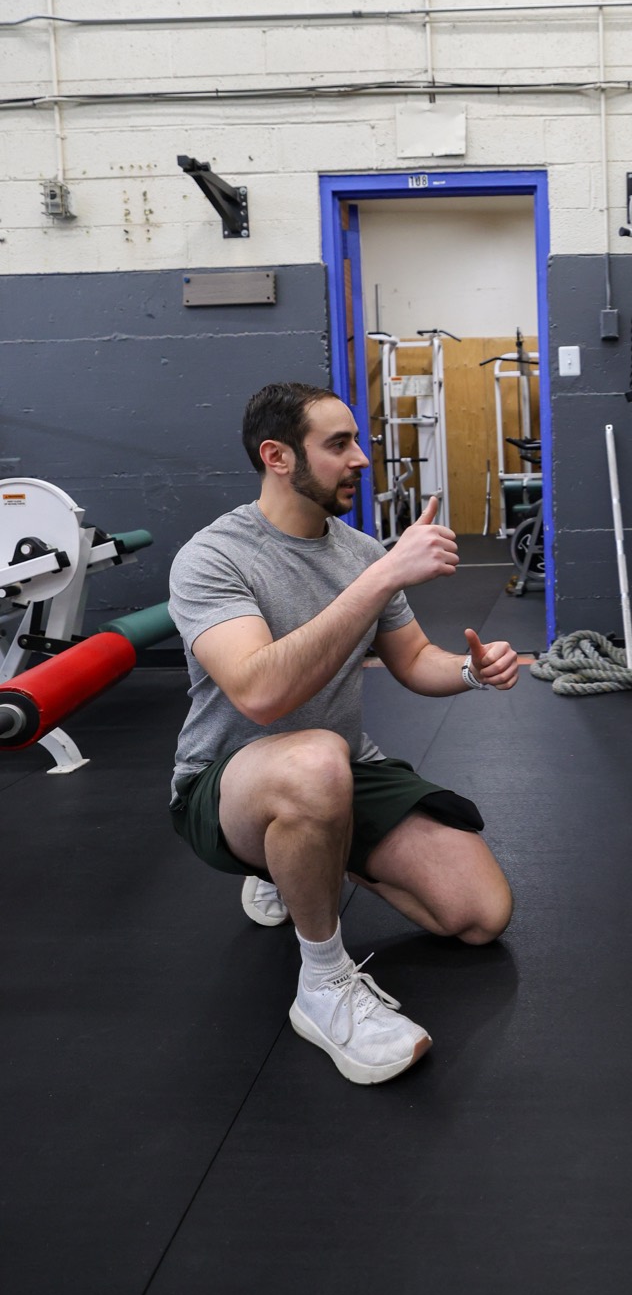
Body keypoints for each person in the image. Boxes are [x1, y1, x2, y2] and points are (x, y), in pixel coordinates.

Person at [168, 381, 518, 1085]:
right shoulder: (214, 558)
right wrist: (382, 576)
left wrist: (472, 671)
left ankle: (303, 858)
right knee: (315, 762)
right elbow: (261, 694)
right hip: (228, 783)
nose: (361, 458)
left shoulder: (358, 551)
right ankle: (323, 984)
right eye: (339, 444)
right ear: (277, 457)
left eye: (358, 441)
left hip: (342, 771)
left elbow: (413, 660)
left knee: (480, 914)